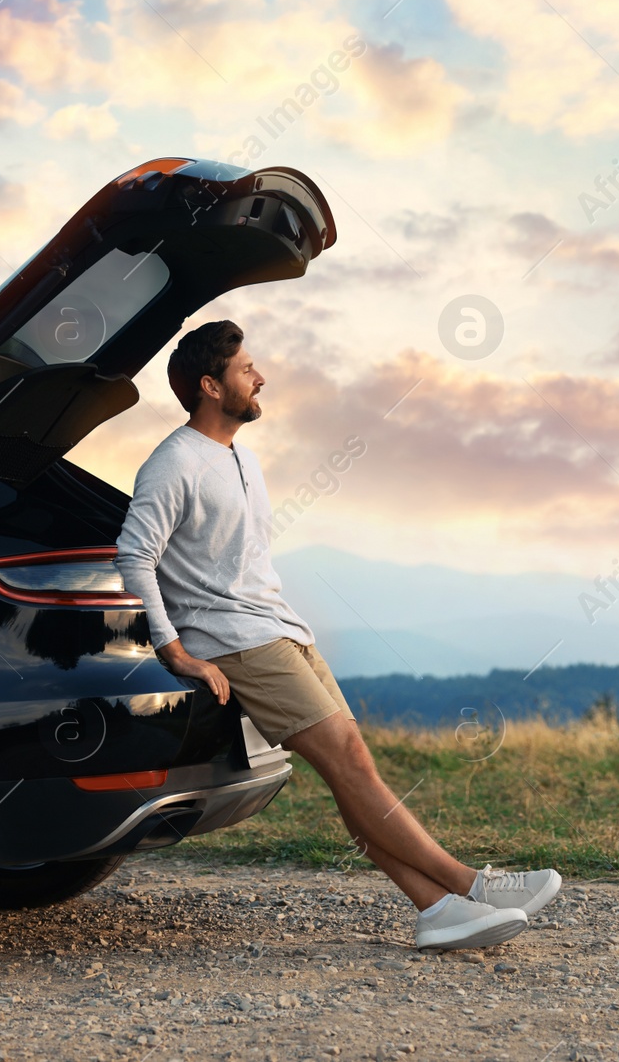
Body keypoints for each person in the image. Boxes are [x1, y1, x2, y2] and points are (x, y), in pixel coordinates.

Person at [114, 320, 562, 950]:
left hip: (280, 627)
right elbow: (135, 555)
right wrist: (175, 649)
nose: (260, 375)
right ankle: (471, 885)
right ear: (212, 387)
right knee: (348, 762)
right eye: (246, 369)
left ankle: (436, 909)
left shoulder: (242, 455)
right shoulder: (173, 463)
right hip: (236, 641)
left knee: (351, 766)